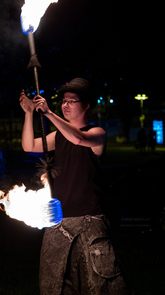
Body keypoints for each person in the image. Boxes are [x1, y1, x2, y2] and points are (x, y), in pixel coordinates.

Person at [19, 78, 129, 294]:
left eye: (72, 101)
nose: (65, 105)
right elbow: (28, 145)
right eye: (63, 101)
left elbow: (78, 138)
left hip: (89, 219)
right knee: (57, 285)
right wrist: (29, 113)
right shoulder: (57, 137)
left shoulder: (97, 134)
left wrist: (49, 113)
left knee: (98, 284)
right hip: (59, 221)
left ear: (86, 105)